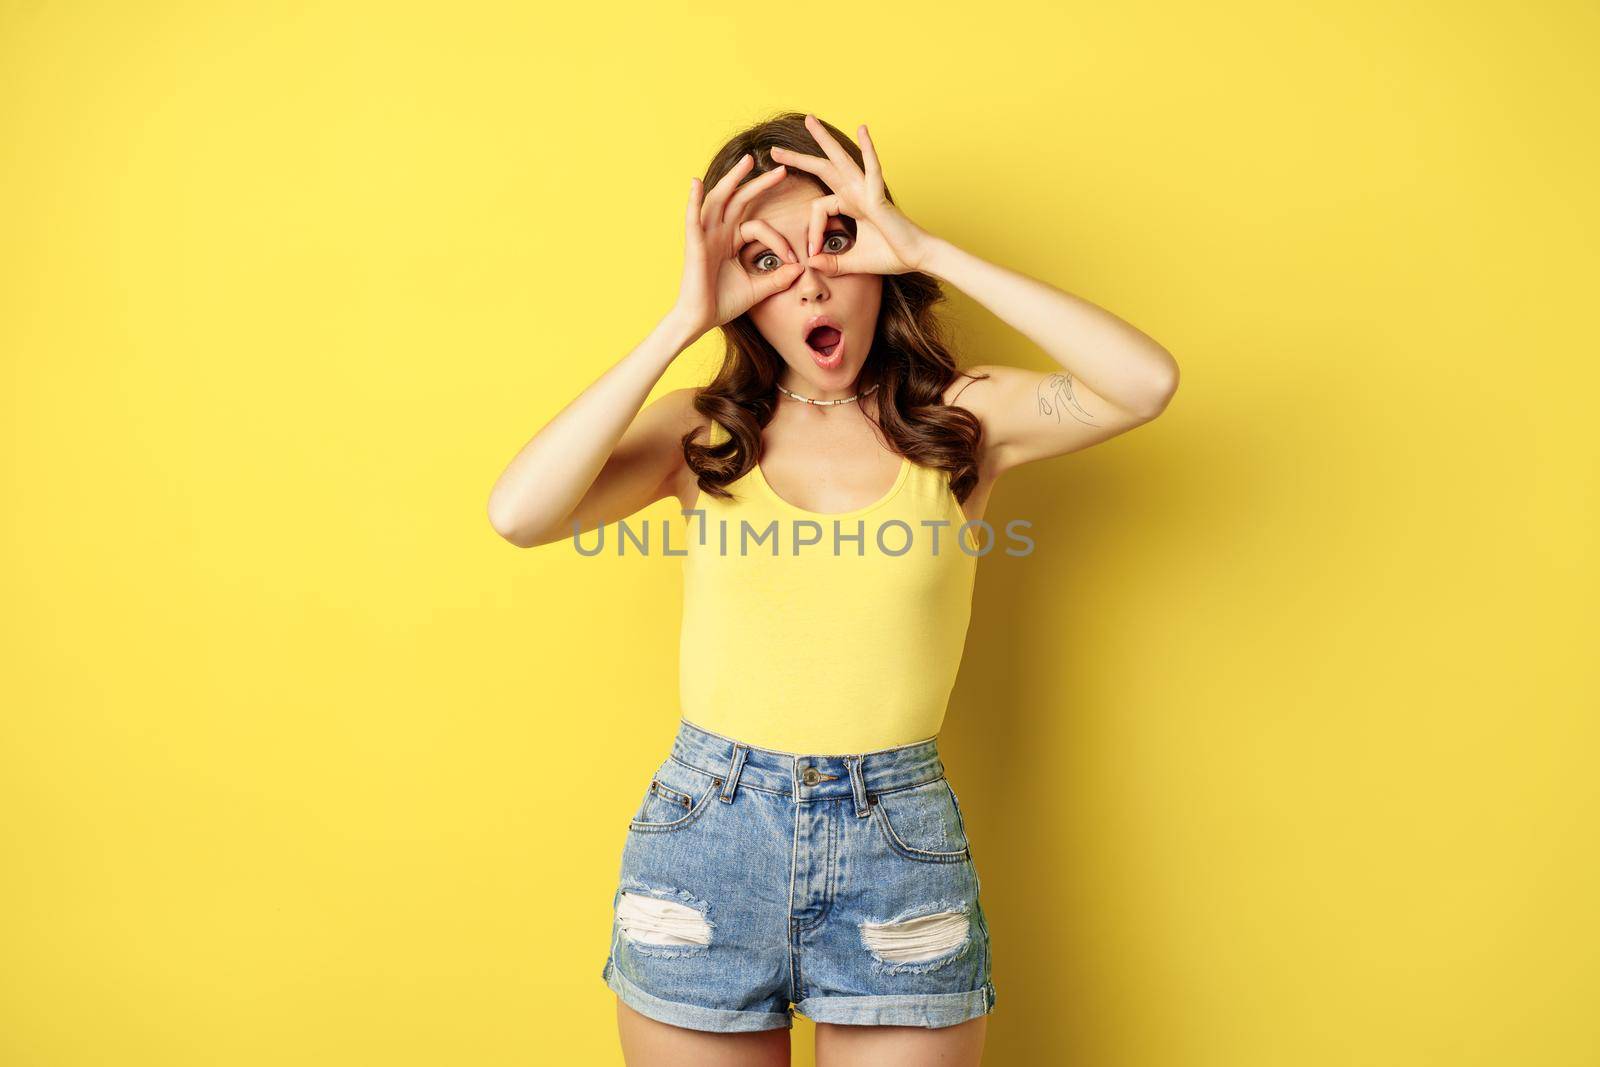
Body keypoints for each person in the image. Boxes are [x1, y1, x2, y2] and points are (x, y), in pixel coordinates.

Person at [488, 111, 1179, 1067]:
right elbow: (520, 512)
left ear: (878, 251)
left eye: (837, 238)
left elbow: (1143, 382)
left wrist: (927, 245)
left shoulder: (960, 420)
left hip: (896, 846)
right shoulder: (705, 432)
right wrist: (681, 322)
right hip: (707, 838)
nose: (809, 279)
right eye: (763, 259)